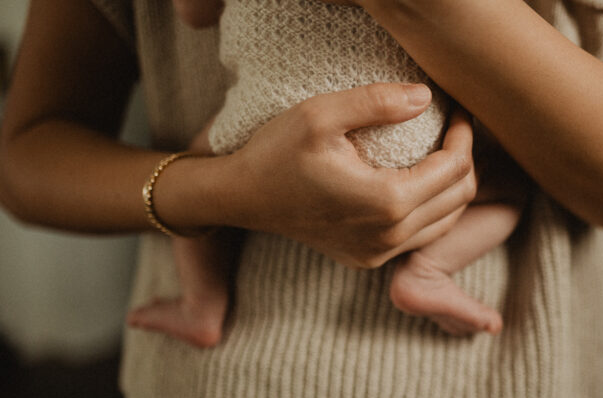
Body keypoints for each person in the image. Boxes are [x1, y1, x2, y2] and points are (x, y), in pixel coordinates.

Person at [0, 0, 603, 398]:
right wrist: (223, 192)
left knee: (479, 174)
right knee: (489, 179)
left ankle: (201, 294)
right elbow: (28, 155)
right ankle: (425, 271)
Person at [126, 0, 529, 347]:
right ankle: (427, 271)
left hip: (265, 118)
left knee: (193, 169)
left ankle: (201, 304)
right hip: (408, 120)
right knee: (508, 186)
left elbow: (195, 14)